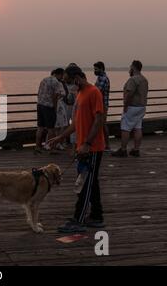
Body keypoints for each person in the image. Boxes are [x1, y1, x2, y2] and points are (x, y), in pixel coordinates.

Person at [48, 65, 106, 233]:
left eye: (69, 82)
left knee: (85, 183)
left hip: (92, 148)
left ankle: (78, 220)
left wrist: (87, 143)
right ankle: (97, 216)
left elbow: (99, 120)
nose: (69, 86)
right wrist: (60, 137)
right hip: (82, 147)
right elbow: (76, 124)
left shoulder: (94, 92)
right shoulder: (80, 94)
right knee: (92, 182)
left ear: (77, 78)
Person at [112, 60, 149, 157]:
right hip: (141, 107)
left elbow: (129, 94)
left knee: (125, 128)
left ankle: (123, 150)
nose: (129, 70)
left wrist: (125, 106)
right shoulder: (144, 79)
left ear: (133, 68)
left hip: (132, 107)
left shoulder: (133, 80)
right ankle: (136, 149)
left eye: (130, 68)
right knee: (138, 128)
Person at [34, 68, 65, 154]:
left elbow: (39, 92)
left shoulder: (44, 80)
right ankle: (52, 148)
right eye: (62, 75)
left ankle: (37, 146)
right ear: (59, 74)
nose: (62, 77)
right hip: (48, 107)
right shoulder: (56, 82)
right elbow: (56, 96)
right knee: (51, 129)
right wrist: (55, 108)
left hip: (40, 105)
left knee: (40, 127)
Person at [94, 61, 111, 151]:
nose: (95, 71)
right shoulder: (100, 78)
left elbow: (97, 92)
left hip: (102, 105)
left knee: (103, 124)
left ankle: (107, 145)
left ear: (101, 69)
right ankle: (104, 144)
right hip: (102, 104)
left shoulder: (103, 79)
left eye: (96, 69)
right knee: (101, 124)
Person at [54, 69, 70, 150]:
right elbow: (64, 93)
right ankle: (58, 143)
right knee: (61, 125)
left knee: (60, 125)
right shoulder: (59, 83)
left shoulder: (60, 83)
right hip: (59, 106)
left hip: (59, 106)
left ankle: (57, 142)